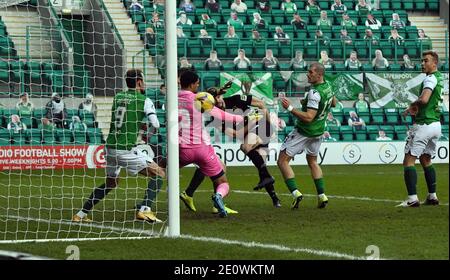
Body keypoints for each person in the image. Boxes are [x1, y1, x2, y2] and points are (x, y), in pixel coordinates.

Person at [72, 69, 166, 223]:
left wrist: (139, 127)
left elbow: (125, 119)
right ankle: (145, 210)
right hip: (124, 149)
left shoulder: (118, 97)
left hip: (109, 147)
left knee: (111, 183)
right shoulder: (144, 100)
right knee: (159, 174)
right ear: (139, 82)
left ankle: (81, 214)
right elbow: (155, 123)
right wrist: (149, 132)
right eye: (143, 80)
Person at [181, 82, 282, 209]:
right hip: (250, 131)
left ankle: (268, 183)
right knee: (261, 164)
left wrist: (269, 126)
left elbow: (261, 105)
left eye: (219, 97)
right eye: (215, 100)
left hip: (261, 126)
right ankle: (275, 199)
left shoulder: (236, 99)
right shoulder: (216, 119)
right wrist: (249, 123)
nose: (219, 101)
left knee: (245, 148)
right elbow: (236, 134)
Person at [178, 70, 245, 217]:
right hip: (200, 145)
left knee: (158, 171)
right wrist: (245, 118)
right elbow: (219, 113)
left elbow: (200, 98)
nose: (198, 85)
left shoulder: (173, 97)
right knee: (220, 175)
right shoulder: (196, 99)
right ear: (192, 84)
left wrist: (217, 92)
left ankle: (146, 205)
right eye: (197, 83)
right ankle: (217, 202)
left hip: (178, 146)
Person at [277, 63, 336, 209]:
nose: (308, 74)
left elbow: (309, 117)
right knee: (313, 162)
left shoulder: (314, 92)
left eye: (310, 72)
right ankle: (322, 196)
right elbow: (333, 103)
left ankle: (296, 193)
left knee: (282, 161)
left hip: (305, 131)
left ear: (319, 74)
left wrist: (290, 108)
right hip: (319, 131)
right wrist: (308, 103)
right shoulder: (328, 85)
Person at [398, 50, 443, 207]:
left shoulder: (430, 78)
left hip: (424, 125)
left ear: (434, 63)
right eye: (422, 61)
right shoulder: (440, 77)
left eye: (426, 61)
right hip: (436, 124)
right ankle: (432, 196)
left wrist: (412, 106)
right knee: (426, 159)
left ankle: (412, 199)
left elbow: (424, 99)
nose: (422, 63)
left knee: (409, 160)